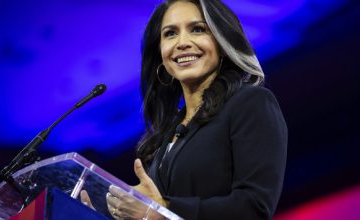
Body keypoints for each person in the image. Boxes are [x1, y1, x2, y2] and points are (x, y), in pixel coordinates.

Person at [82, 0, 287, 219]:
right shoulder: (170, 133)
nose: (182, 43)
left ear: (223, 43)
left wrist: (164, 211)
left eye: (198, 30)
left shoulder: (251, 103)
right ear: (160, 53)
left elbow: (255, 208)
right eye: (170, 34)